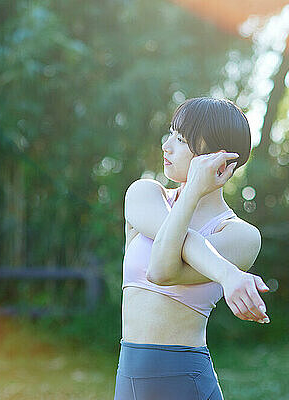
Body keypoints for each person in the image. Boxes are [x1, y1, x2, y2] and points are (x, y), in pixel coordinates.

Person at [114, 97, 271, 400]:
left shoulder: (242, 236)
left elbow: (161, 270)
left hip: (186, 381)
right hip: (128, 379)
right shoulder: (144, 193)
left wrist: (196, 189)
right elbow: (177, 242)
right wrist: (229, 275)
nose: (166, 146)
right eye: (170, 133)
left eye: (181, 139)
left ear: (220, 158)